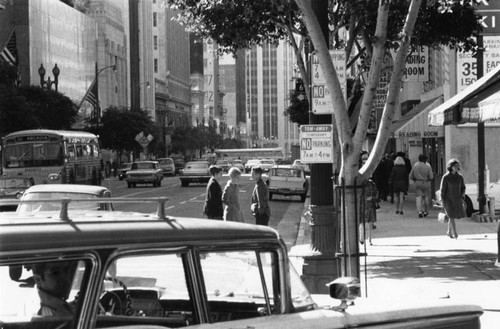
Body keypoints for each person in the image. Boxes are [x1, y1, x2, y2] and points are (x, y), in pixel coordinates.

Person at [440, 159, 466, 239]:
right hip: (448, 200)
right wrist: (442, 200)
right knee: (451, 216)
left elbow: (463, 187)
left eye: (457, 166)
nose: (456, 167)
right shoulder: (446, 177)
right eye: (455, 166)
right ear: (450, 167)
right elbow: (442, 189)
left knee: (452, 216)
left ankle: (448, 231)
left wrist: (462, 196)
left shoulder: (460, 177)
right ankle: (455, 233)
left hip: (457, 199)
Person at [359, 178, 378, 245]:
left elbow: (376, 193)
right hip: (364, 205)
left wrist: (372, 197)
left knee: (367, 222)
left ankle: (368, 239)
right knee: (363, 222)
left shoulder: (371, 183)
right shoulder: (361, 182)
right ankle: (363, 238)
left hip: (368, 205)